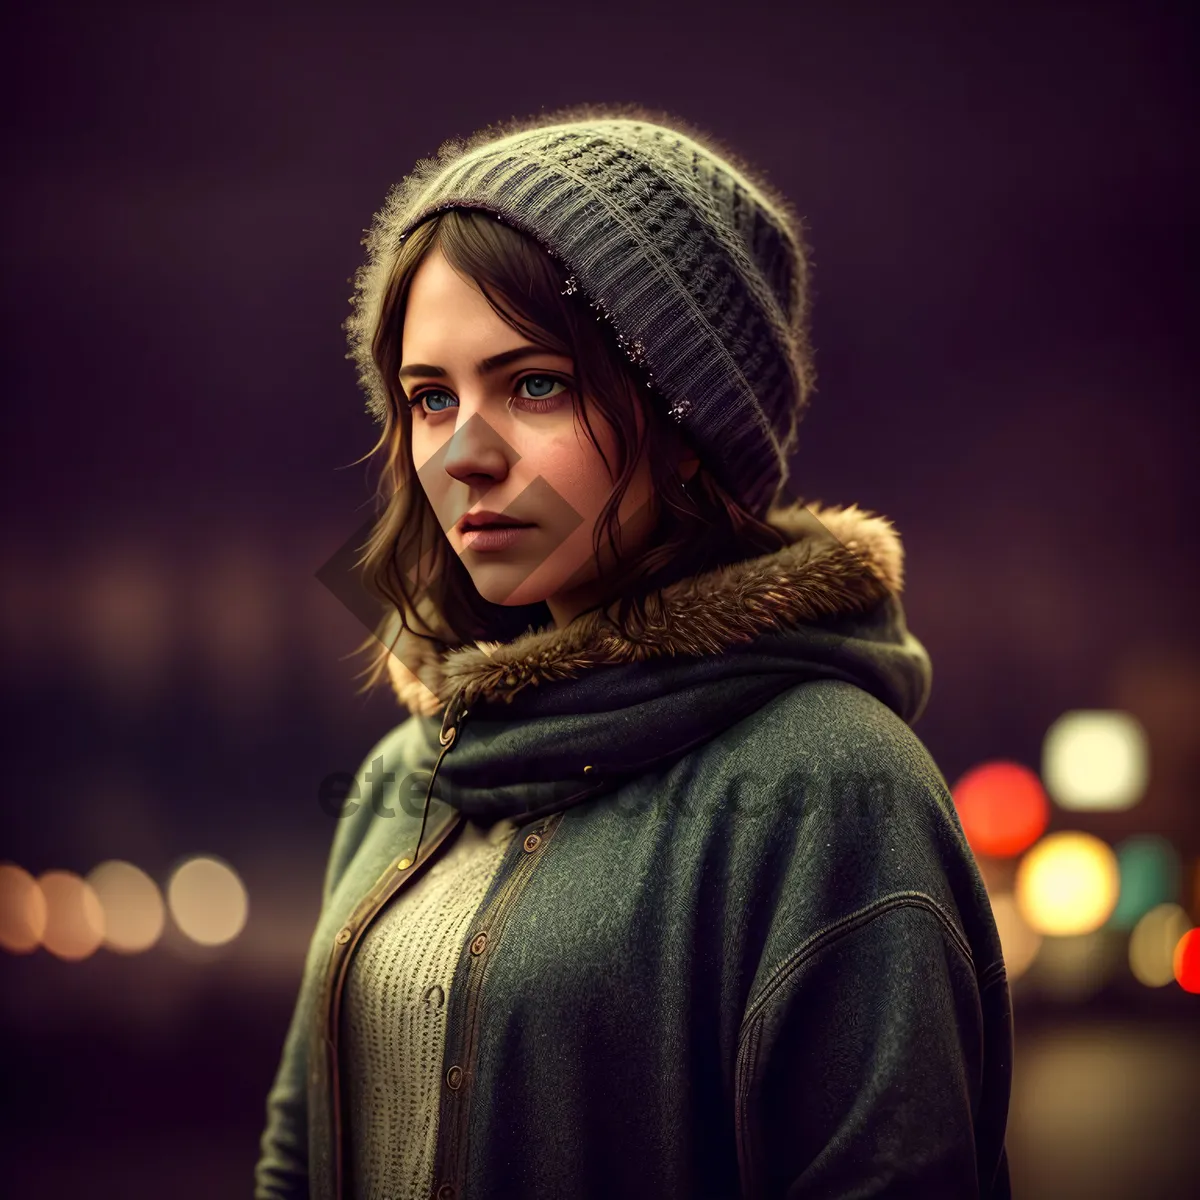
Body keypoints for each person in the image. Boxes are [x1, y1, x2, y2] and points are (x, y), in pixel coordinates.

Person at [254, 101, 1013, 1200]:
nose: (463, 455)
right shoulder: (407, 775)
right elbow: (297, 1156)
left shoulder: (836, 790)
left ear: (689, 426)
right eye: (429, 399)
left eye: (536, 384)